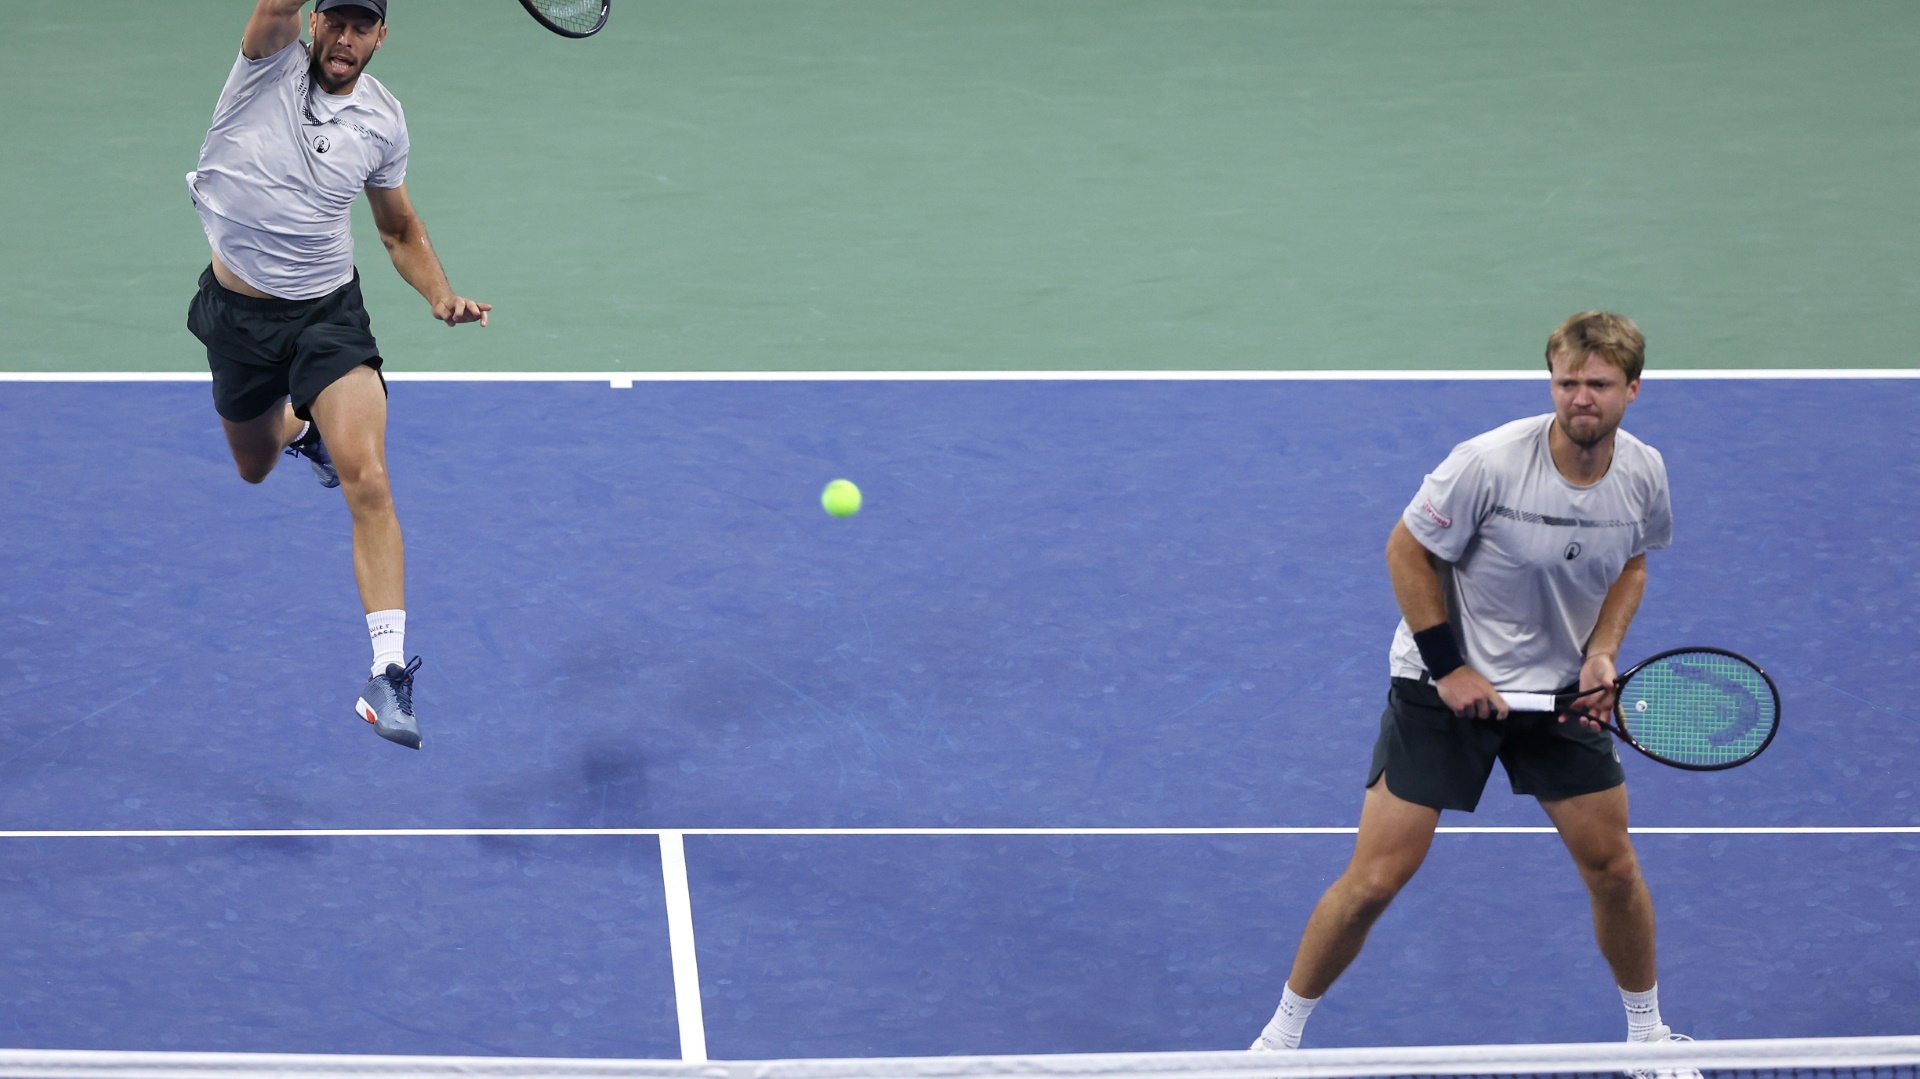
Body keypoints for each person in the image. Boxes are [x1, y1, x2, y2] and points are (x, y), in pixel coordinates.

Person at [1252, 312, 1691, 1052]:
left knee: (1614, 869)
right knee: (1376, 881)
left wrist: (1602, 652)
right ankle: (1276, 1043)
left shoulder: (1644, 471)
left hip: (1560, 698)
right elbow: (1405, 549)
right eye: (1567, 382)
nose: (1581, 398)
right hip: (1445, 689)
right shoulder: (1487, 462)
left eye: (1599, 384)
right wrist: (1450, 666)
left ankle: (1647, 1038)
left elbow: (1634, 562)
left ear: (1634, 389)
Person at [185, 0, 489, 749]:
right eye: (336, 22)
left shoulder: (384, 120)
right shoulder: (266, 65)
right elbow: (275, 4)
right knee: (253, 463)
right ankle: (301, 425)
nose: (345, 39)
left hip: (327, 316)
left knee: (371, 477)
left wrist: (438, 292)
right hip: (238, 316)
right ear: (315, 22)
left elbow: (397, 228)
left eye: (362, 26)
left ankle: (387, 673)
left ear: (382, 35)